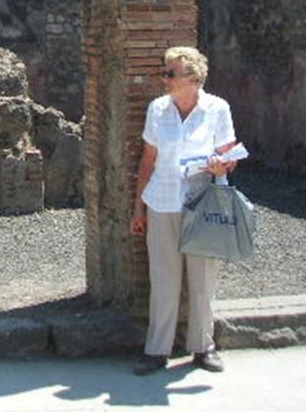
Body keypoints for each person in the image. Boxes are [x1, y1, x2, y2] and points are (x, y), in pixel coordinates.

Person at [130, 46, 238, 375]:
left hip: (202, 203)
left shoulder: (217, 108)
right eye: (165, 72)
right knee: (163, 278)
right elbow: (148, 160)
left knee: (203, 280)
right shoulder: (158, 109)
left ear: (192, 77)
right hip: (162, 202)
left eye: (170, 73)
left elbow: (229, 157)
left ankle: (203, 347)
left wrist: (222, 167)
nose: (165, 79)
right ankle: (157, 349)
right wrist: (139, 208)